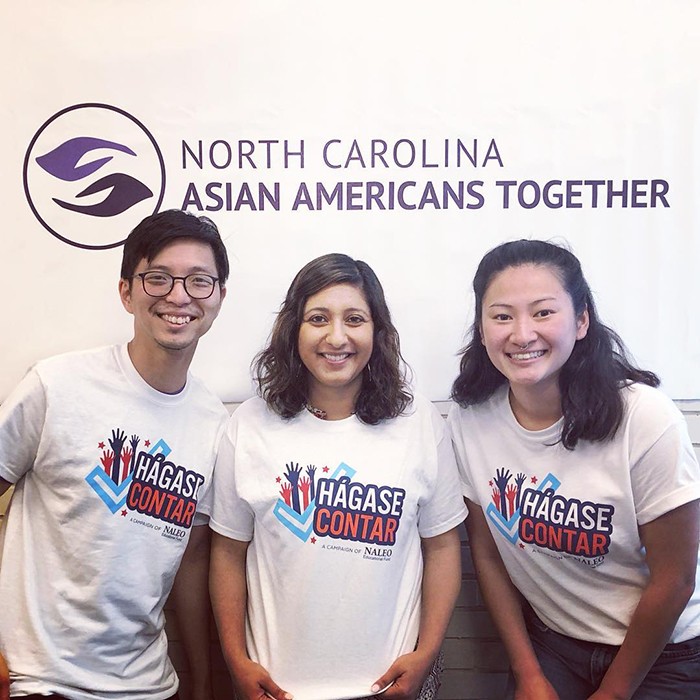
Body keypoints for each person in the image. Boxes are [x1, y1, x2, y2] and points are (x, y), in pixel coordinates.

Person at [447, 239, 700, 700]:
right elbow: (487, 554)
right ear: (482, 331)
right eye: (501, 316)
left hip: (665, 653)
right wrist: (526, 672)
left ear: (582, 321)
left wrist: (614, 692)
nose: (522, 334)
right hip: (553, 646)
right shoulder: (470, 419)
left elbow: (676, 577)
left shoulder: (645, 418)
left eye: (543, 312)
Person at [208, 253, 467, 700]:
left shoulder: (420, 421)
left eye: (355, 319)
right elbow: (228, 554)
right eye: (318, 318)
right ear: (294, 330)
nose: (337, 337)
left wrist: (425, 655)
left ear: (377, 331)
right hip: (279, 690)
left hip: (393, 687)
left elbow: (442, 547)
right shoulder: (248, 426)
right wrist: (237, 662)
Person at [0, 209, 230, 700]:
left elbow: (189, 561)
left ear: (219, 297)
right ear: (127, 291)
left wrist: (203, 680)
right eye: (158, 277)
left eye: (199, 281)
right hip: (43, 682)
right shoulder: (56, 385)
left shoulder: (215, 425)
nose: (179, 296)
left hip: (151, 687)